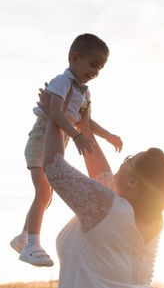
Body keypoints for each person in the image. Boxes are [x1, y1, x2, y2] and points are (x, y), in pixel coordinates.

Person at [40, 90, 164, 288]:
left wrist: (54, 117)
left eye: (129, 160)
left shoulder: (106, 208)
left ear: (133, 182)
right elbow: (103, 177)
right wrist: (85, 128)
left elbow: (54, 167)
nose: (123, 162)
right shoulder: (143, 216)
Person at [11, 34, 123, 267]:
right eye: (93, 65)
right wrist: (77, 136)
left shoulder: (84, 92)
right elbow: (55, 112)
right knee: (43, 192)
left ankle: (23, 237)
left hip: (60, 140)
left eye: (100, 68)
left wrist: (108, 135)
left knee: (46, 195)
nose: (96, 72)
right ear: (74, 57)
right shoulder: (62, 82)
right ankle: (31, 245)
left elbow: (86, 121)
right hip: (43, 138)